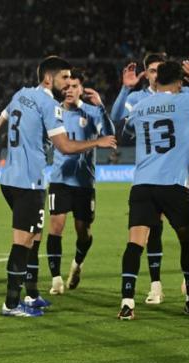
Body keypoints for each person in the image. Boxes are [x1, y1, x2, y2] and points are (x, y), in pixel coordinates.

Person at [0, 56, 117, 317]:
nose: (69, 84)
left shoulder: (21, 94)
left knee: (34, 237)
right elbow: (65, 146)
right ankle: (11, 303)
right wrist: (97, 143)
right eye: (65, 78)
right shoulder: (49, 105)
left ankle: (32, 294)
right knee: (23, 241)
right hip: (29, 182)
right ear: (49, 79)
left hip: (11, 180)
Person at [117, 59, 189, 320]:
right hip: (174, 186)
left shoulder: (141, 105)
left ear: (156, 80)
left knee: (135, 243)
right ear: (179, 82)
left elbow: (127, 128)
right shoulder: (184, 101)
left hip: (142, 184)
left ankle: (127, 303)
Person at [45, 69, 115, 293]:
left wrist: (102, 108)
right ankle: (56, 279)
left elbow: (110, 134)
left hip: (84, 182)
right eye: (66, 86)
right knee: (56, 227)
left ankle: (77, 264)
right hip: (59, 179)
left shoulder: (93, 113)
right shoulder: (54, 113)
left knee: (83, 232)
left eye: (74, 86)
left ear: (81, 89)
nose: (69, 90)